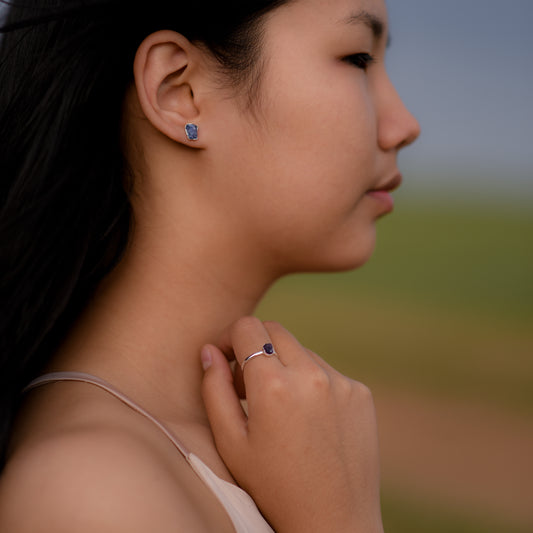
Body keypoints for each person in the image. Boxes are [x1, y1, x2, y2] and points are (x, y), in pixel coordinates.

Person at [0, 0, 420, 531]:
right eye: (358, 59)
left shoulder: (251, 446)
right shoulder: (91, 492)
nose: (404, 125)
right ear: (181, 93)